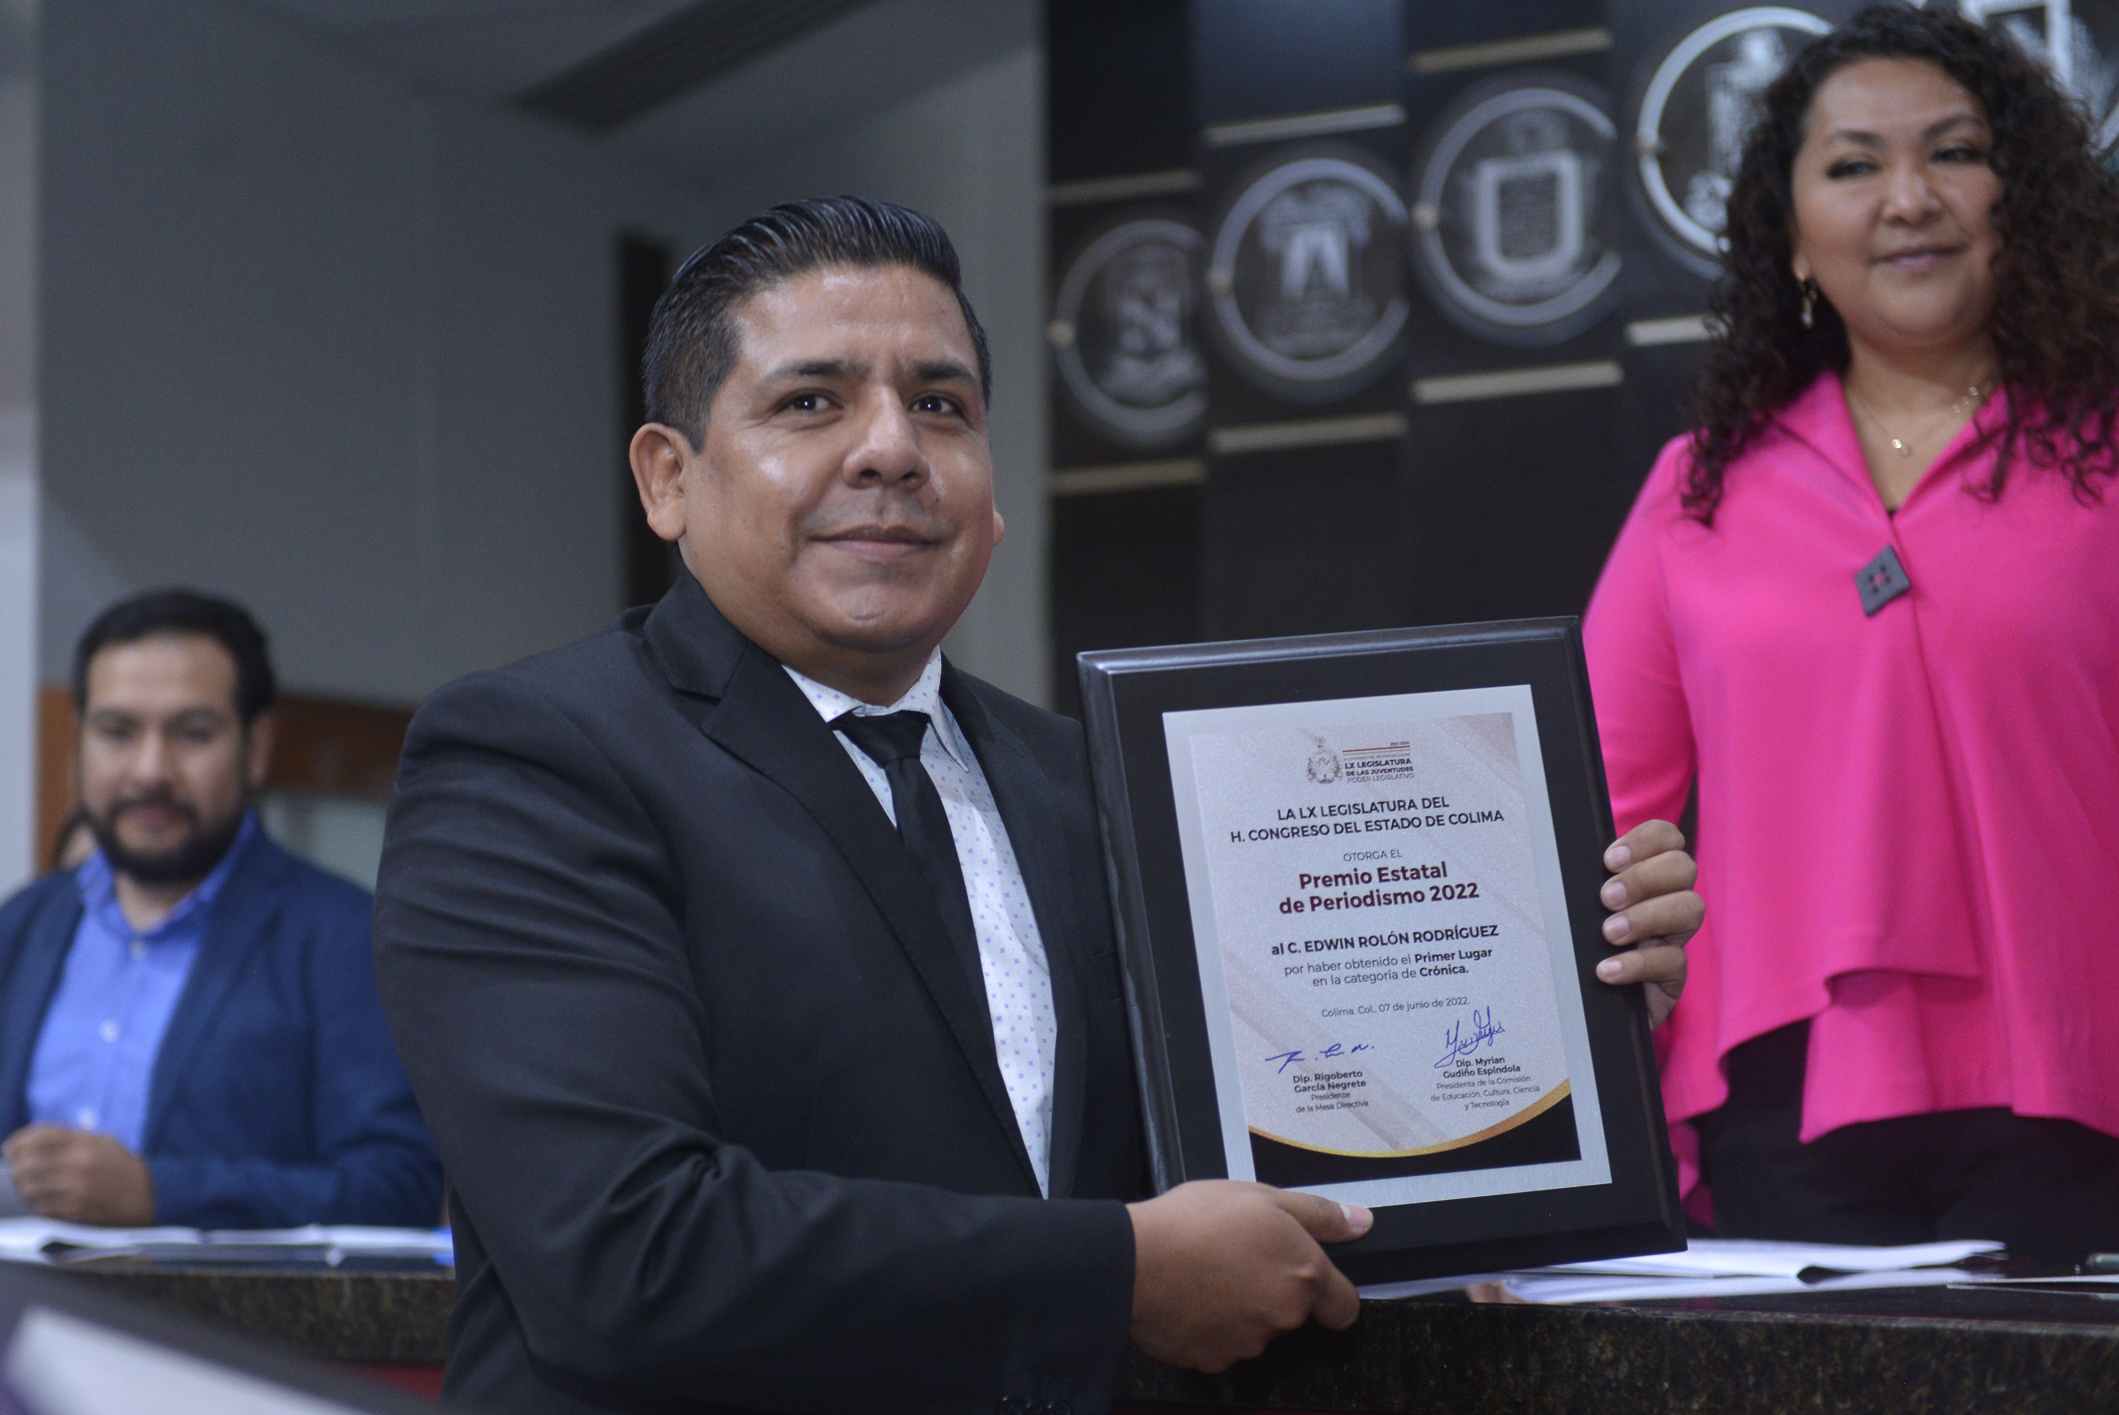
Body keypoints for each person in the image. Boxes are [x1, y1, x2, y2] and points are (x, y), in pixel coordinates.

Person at [372, 196, 1700, 1415]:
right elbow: (625, 1251)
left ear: (991, 492)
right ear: (668, 476)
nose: (891, 448)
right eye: (811, 401)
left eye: (939, 404)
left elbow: (1222, 1170)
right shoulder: (538, 759)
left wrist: (1552, 1006)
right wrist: (1117, 1268)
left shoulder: (1090, 782)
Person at [1585, 5, 2119, 1260]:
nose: (1908, 198)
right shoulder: (1696, 487)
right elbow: (1595, 811)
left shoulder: (2103, 454)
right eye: (1853, 165)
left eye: (1954, 153)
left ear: (2021, 200)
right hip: (1774, 1103)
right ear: (1789, 235)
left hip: (2077, 1082)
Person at [0, 591, 442, 1230]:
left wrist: (160, 1194)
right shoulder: (22, 926)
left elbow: (400, 1185)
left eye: (192, 734)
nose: (149, 770)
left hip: (228, 1301)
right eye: (117, 732)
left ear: (255, 747)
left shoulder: (340, 937)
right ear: (79, 743)